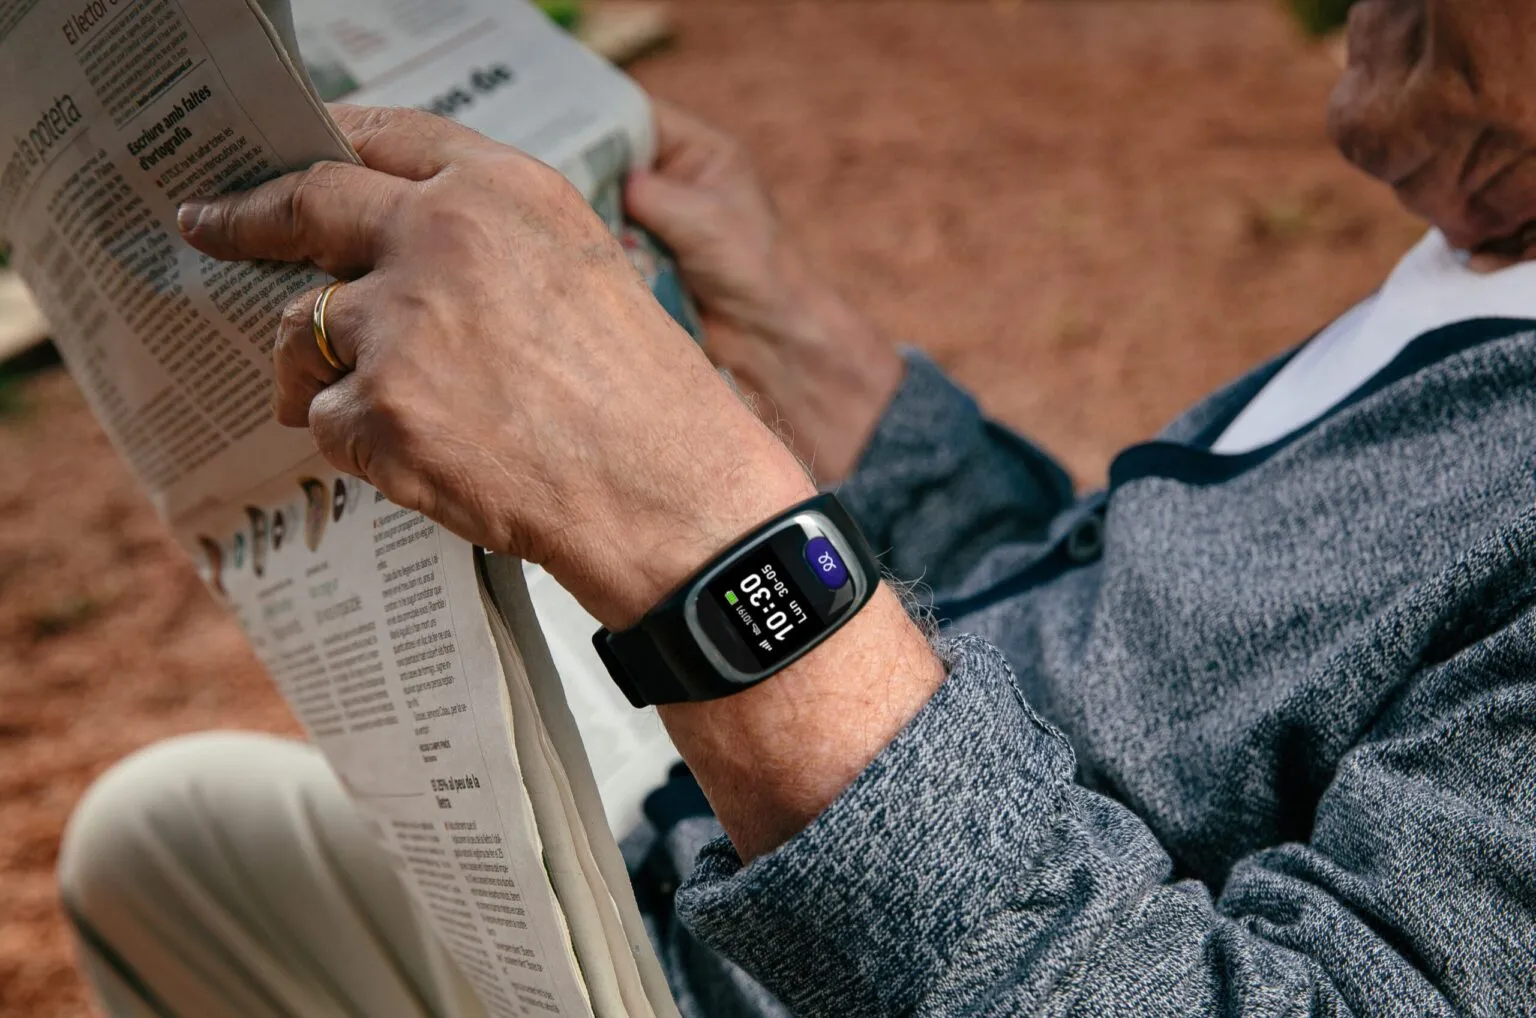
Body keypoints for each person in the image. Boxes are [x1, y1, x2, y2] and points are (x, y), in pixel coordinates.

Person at [57, 1, 1536, 1015]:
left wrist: (712, 542)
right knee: (161, 840)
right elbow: (1162, 673)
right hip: (700, 885)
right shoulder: (1487, 258)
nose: (1359, 64)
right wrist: (808, 351)